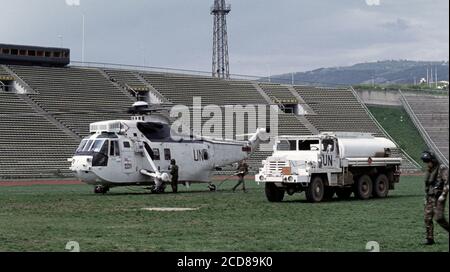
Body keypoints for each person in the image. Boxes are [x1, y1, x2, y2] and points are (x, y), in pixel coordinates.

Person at [420, 151, 449, 245]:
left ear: (433, 160)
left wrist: (443, 195)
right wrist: (426, 197)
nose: (427, 164)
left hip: (439, 197)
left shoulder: (442, 168)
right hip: (430, 197)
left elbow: (447, 183)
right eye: (426, 162)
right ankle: (429, 239)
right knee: (427, 218)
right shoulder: (429, 170)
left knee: (439, 218)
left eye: (428, 161)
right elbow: (427, 185)